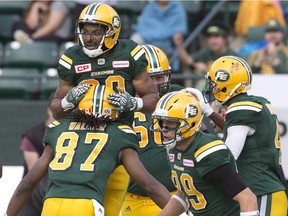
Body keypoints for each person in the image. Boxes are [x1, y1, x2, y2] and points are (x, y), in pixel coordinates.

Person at [50, 3, 160, 215]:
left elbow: (153, 99)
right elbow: (56, 109)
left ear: (112, 31)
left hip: (117, 140)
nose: (88, 37)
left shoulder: (130, 53)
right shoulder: (72, 58)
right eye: (85, 30)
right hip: (83, 143)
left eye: (96, 32)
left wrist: (132, 102)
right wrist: (67, 102)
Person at [6, 84, 171, 216]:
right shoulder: (119, 133)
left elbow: (27, 184)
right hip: (86, 206)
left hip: (51, 204)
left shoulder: (58, 128)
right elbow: (150, 185)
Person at [120, 44, 225, 215]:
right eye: (149, 77)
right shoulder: (121, 102)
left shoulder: (179, 97)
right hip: (132, 198)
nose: (155, 84)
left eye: (160, 77)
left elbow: (211, 131)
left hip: (174, 195)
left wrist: (208, 112)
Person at [151, 91, 259, 215]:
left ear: (190, 122)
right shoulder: (175, 148)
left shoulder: (206, 151)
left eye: (171, 123)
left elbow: (248, 198)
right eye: (161, 122)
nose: (164, 129)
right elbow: (187, 193)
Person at [204, 55, 288, 215]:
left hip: (261, 192)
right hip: (263, 190)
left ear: (226, 84)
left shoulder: (240, 108)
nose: (211, 88)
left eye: (214, 83)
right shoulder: (259, 102)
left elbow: (228, 157)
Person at [18, 92, 55, 216]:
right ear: (49, 110)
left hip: (58, 190)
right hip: (34, 192)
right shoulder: (32, 135)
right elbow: (34, 171)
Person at [173, 20, 238, 88]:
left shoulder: (232, 57)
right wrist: (179, 45)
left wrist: (207, 70)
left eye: (216, 36)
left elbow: (230, 79)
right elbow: (188, 61)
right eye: (210, 37)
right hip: (208, 91)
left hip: (224, 91)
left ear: (225, 38)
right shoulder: (207, 52)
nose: (213, 40)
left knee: (203, 80)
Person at [130, 0, 188, 73]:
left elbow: (179, 29)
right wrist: (158, 34)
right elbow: (141, 28)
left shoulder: (177, 8)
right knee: (135, 39)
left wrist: (161, 34)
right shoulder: (150, 7)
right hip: (147, 41)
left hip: (167, 44)